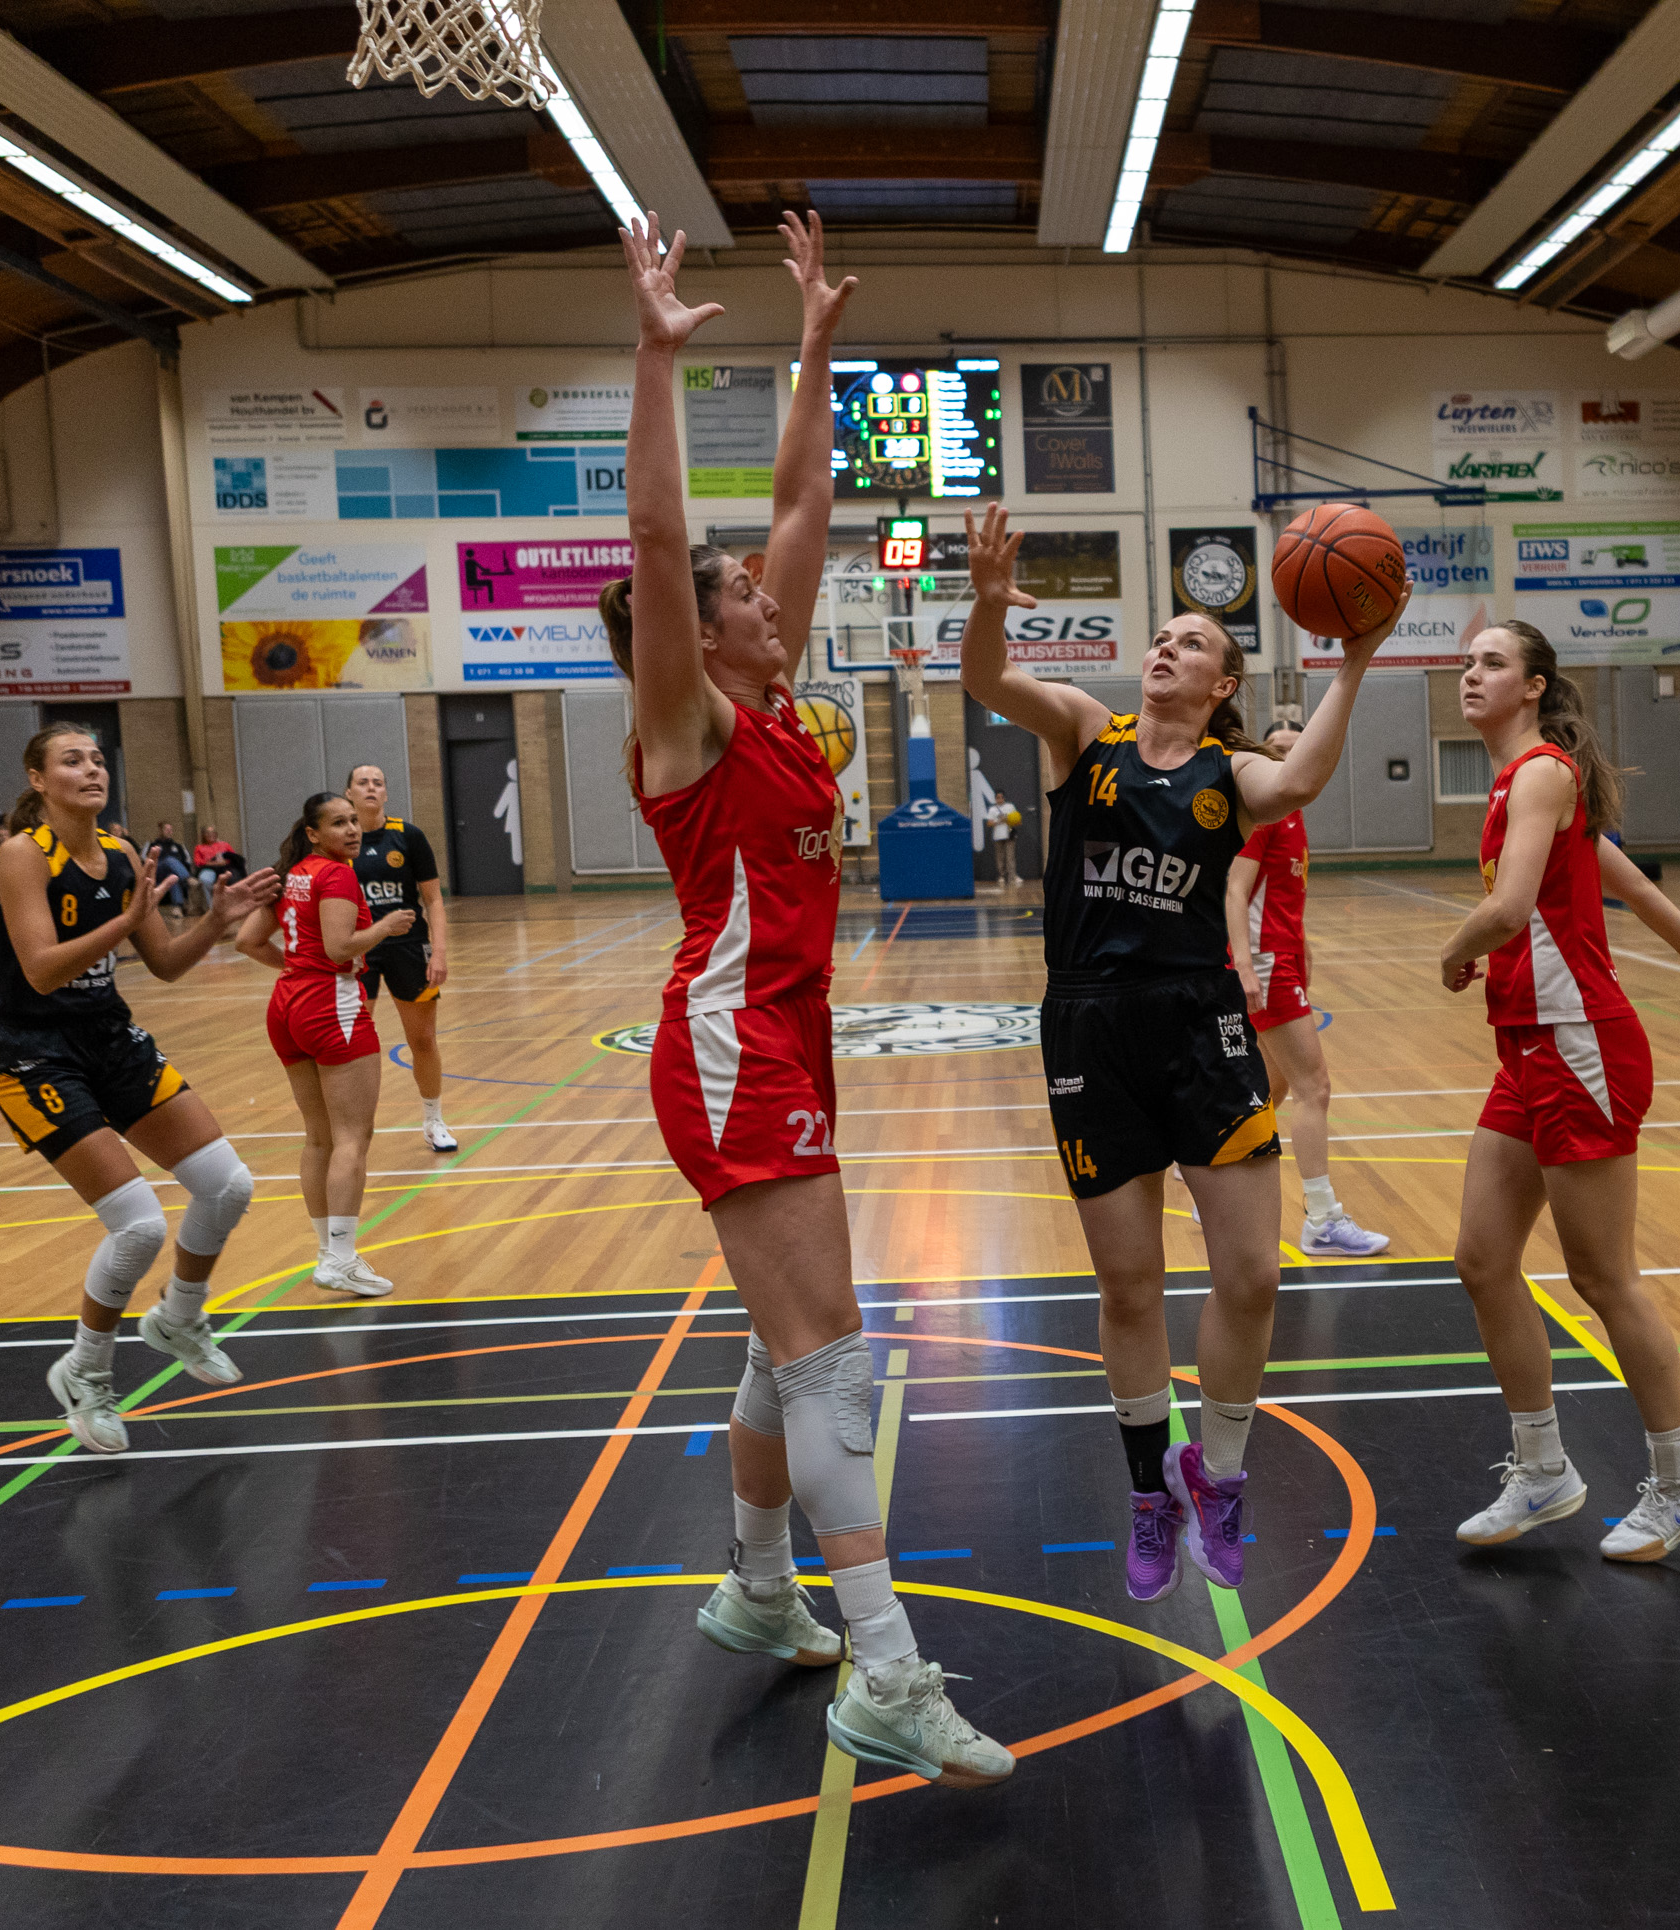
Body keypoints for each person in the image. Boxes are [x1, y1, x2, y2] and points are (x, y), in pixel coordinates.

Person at [601, 209, 1014, 1789]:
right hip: (729, 1045)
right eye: (745, 595)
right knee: (834, 1353)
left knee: (785, 1345)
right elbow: (659, 542)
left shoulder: (770, 697)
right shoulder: (687, 720)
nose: (775, 596)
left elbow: (797, 505)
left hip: (785, 1036)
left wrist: (818, 344)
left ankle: (761, 1590)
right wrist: (654, 356)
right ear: (692, 630)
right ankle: (885, 1673)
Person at [958, 500, 1409, 1606]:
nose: (1165, 648)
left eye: (1190, 642)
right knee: (1128, 1283)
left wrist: (1354, 660)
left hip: (1201, 1025)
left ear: (1221, 683)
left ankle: (1219, 1473)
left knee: (1251, 1273)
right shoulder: (1084, 732)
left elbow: (1297, 784)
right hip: (1090, 1024)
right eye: (1160, 637)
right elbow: (985, 679)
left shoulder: (1233, 772)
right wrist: (985, 602)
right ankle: (1146, 1491)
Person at [1437, 622, 1680, 1560]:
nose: (1471, 675)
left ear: (1534, 687)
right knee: (1482, 1259)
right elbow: (1635, 888)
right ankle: (1543, 1470)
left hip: (1579, 1043)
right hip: (1528, 1047)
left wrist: (1455, 949)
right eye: (1467, 663)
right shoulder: (1523, 782)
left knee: (1602, 1277)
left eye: (1492, 663)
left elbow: (1508, 909)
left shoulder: (1542, 773)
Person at [0, 723, 279, 1454]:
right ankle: (85, 1373)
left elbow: (167, 964)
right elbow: (40, 971)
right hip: (34, 1054)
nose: (92, 769)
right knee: (140, 1226)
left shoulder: (120, 854)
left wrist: (215, 921)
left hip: (109, 1039)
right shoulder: (23, 855)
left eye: (96, 758)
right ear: (38, 779)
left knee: (228, 1186)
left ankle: (178, 1318)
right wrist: (122, 920)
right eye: (72, 760)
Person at [235, 792, 415, 1298]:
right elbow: (339, 949)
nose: (352, 830)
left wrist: (296, 966)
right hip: (330, 1004)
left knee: (319, 1138)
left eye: (354, 821)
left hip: (287, 1005)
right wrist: (385, 927)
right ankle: (340, 1259)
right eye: (339, 823)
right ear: (313, 833)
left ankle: (328, 1255)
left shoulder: (292, 872)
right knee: (352, 1136)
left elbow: (247, 941)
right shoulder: (336, 875)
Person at [1225, 717, 1387, 1258]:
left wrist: (1302, 943)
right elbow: (1235, 890)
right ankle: (1322, 1219)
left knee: (1272, 1088)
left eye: (1297, 749)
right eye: (1277, 749)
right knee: (1313, 1086)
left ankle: (1218, 1189)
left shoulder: (1293, 812)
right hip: (1265, 962)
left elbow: (1276, 894)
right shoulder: (1265, 811)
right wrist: (1245, 964)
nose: (1288, 757)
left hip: (1283, 954)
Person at [343, 764, 455, 1152]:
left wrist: (438, 952)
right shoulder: (340, 842)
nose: (371, 788)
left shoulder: (408, 836)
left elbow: (433, 899)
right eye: (363, 782)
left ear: (386, 793)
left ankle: (434, 1120)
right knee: (355, 1041)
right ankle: (352, 1126)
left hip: (409, 948)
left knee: (422, 1039)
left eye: (378, 782)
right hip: (358, 949)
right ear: (349, 793)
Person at [192, 825, 235, 913]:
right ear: (203, 835)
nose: (211, 835)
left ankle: (231, 906)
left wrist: (225, 861)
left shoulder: (224, 845)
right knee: (205, 879)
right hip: (209, 869)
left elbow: (234, 857)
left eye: (213, 832)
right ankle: (212, 909)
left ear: (216, 834)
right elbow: (198, 862)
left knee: (233, 877)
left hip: (225, 868)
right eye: (207, 833)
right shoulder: (199, 847)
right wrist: (213, 863)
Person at [984, 789, 1019, 884]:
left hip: (1009, 835)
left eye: (1001, 797)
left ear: (1004, 798)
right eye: (997, 798)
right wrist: (999, 821)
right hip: (998, 836)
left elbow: (1017, 820)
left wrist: (1007, 819)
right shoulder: (992, 809)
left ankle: (1012, 876)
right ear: (995, 799)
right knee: (1000, 857)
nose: (999, 799)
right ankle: (1002, 876)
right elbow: (989, 823)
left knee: (1010, 856)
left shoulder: (1010, 806)